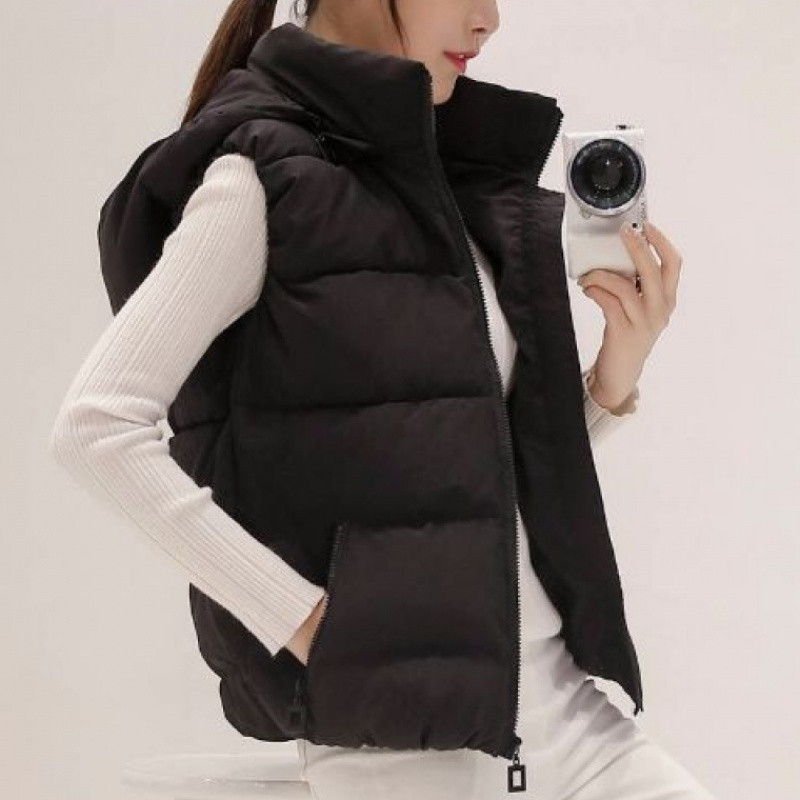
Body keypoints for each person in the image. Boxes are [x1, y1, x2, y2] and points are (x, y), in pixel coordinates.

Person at [49, 1, 714, 798]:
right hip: (404, 759)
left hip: (576, 727)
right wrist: (308, 624)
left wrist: (613, 376)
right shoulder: (260, 178)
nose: (490, 19)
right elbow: (96, 428)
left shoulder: (440, 173)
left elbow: (469, 459)